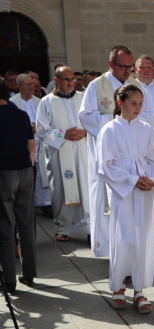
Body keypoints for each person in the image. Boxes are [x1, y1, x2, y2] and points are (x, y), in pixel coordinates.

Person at [79, 45, 154, 257]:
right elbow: (86, 116)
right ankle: (108, 250)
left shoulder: (137, 86)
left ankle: (131, 251)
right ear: (111, 64)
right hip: (109, 151)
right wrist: (117, 121)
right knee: (106, 200)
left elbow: (148, 114)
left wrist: (132, 121)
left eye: (130, 67)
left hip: (134, 151)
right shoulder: (97, 86)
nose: (127, 71)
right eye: (123, 66)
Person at [96, 84, 154, 313]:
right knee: (123, 237)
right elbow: (105, 165)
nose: (138, 107)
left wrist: (152, 179)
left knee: (143, 237)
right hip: (123, 190)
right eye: (133, 103)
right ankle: (119, 285)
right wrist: (132, 180)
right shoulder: (110, 130)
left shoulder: (147, 129)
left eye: (141, 103)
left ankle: (140, 289)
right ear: (120, 102)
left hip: (144, 189)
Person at [36, 66, 90, 243]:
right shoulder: (46, 102)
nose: (70, 83)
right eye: (66, 79)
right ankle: (63, 228)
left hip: (82, 152)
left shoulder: (84, 99)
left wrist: (86, 133)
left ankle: (89, 227)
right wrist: (63, 134)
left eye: (72, 79)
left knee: (85, 189)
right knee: (61, 189)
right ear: (57, 81)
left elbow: (93, 123)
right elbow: (42, 130)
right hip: (60, 154)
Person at [0, 81, 36, 294]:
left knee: (5, 225)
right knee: (26, 223)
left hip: (4, 173)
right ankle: (29, 274)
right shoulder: (21, 115)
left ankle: (9, 279)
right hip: (25, 170)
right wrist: (28, 169)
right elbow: (31, 147)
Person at [10, 73, 52, 215]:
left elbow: (49, 122)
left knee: (42, 175)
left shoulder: (40, 101)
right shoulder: (13, 102)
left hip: (40, 144)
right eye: (27, 84)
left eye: (32, 84)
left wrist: (39, 128)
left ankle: (45, 205)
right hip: (22, 146)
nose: (31, 87)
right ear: (19, 86)